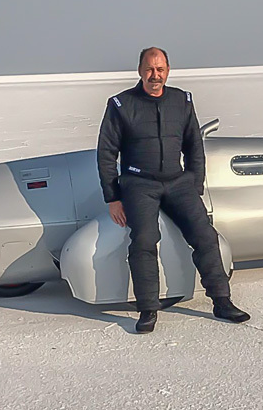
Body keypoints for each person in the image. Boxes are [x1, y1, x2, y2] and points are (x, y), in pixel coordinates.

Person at [96, 47, 250, 333]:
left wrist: (195, 183)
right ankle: (147, 309)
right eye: (150, 69)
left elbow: (194, 145)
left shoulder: (182, 100)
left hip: (178, 182)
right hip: (139, 183)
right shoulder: (120, 104)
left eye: (160, 69)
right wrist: (113, 197)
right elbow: (106, 154)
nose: (155, 75)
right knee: (144, 239)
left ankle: (222, 301)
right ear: (140, 70)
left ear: (168, 70)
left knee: (205, 234)